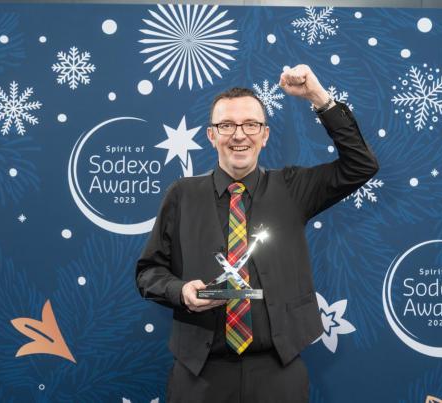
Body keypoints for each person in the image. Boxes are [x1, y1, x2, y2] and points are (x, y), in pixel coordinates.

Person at [136, 64, 379, 403]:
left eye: (251, 124)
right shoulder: (182, 195)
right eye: (226, 125)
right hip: (200, 375)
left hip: (277, 373)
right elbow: (148, 273)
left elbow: (361, 165)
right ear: (211, 135)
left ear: (264, 135)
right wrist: (181, 291)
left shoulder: (292, 188)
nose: (239, 135)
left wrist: (317, 97)